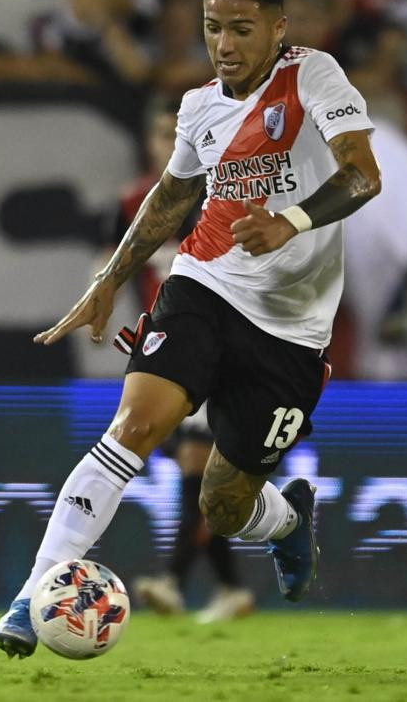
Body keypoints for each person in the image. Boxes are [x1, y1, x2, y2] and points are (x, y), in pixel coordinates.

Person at [0, 0, 381, 658]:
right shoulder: (199, 106)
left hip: (292, 329)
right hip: (206, 284)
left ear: (277, 28)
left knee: (224, 506)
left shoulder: (312, 76)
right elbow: (173, 196)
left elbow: (363, 174)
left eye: (241, 28)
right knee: (135, 425)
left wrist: (289, 221)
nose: (225, 44)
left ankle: (287, 521)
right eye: (212, 29)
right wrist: (110, 278)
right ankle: (32, 593)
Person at [109, 98, 253, 623]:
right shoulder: (134, 204)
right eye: (160, 133)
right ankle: (232, 588)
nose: (169, 143)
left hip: (214, 345)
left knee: (198, 465)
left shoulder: (220, 201)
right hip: (163, 349)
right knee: (199, 474)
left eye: (178, 133)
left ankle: (172, 580)